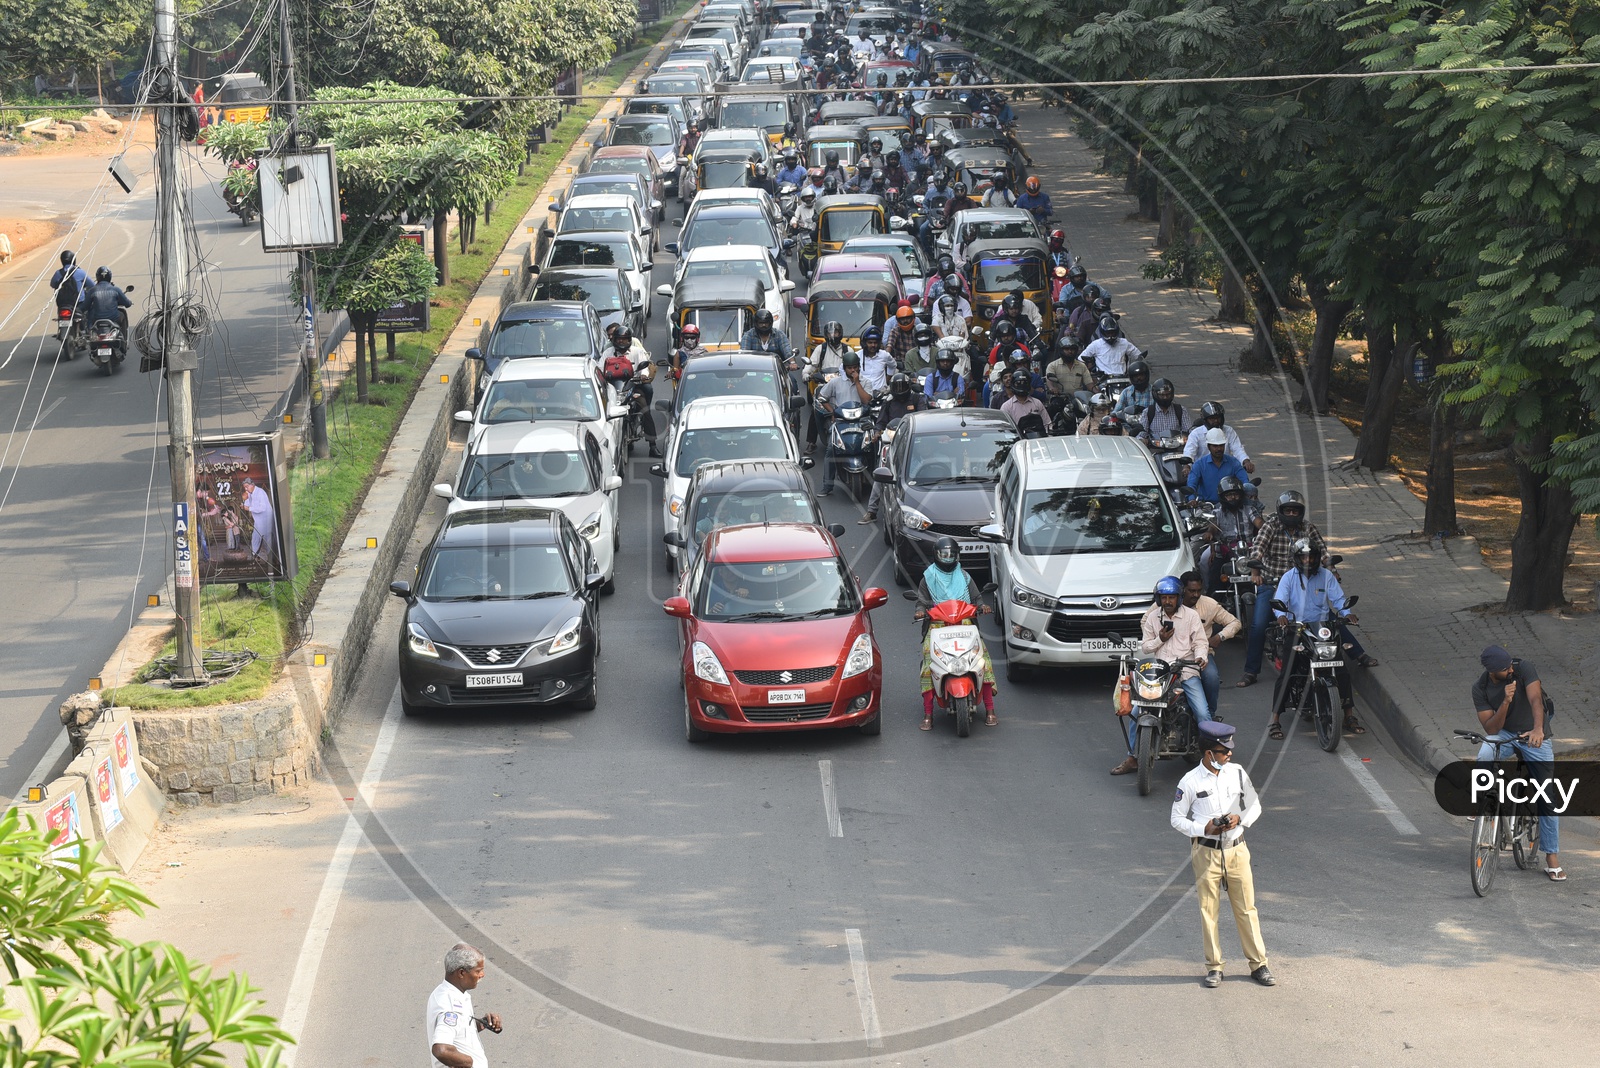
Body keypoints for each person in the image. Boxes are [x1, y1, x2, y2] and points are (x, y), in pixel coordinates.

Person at [1170, 723, 1274, 989]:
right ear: (1208, 753)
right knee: (1209, 910)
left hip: (1237, 849)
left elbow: (1255, 805)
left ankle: (1258, 964)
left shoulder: (1237, 773)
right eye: (1222, 750)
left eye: (1229, 749)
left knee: (1247, 908)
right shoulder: (1190, 781)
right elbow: (1176, 819)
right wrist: (1203, 827)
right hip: (1206, 852)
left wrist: (1240, 818)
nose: (1229, 754)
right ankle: (1214, 967)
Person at [1472, 644, 1564, 881]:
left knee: (1547, 795)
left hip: (1534, 732)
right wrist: (1505, 701)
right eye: (1505, 668)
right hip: (1505, 733)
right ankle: (1486, 803)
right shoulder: (1480, 688)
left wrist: (1538, 729)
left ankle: (1551, 857)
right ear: (1493, 672)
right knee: (1484, 754)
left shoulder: (1524, 669)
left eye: (1509, 664)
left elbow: (1536, 700)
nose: (1510, 669)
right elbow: (1491, 727)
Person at [1111, 575, 1212, 776]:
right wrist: (1160, 639)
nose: (1168, 601)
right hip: (1159, 672)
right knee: (1136, 710)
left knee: (1202, 713)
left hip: (1185, 670)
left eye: (1172, 597)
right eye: (1164, 597)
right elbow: (1147, 647)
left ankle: (1210, 756)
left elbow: (1201, 642)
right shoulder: (1152, 617)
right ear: (1158, 599)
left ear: (1179, 598)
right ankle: (1133, 757)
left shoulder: (1191, 616)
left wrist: (1201, 657)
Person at [1269, 539, 1363, 738]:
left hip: (1322, 629)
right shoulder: (1288, 578)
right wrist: (1282, 616)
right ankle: (1275, 720)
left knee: (1342, 670)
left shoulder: (1326, 575)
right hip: (1297, 629)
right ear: (1296, 558)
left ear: (1317, 557)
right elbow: (1280, 602)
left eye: (1311, 556)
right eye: (1303, 556)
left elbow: (1338, 600)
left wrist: (1346, 613)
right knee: (1288, 673)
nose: (1307, 560)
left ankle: (1349, 716)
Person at [914, 536, 997, 728]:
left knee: (983, 660)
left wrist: (982, 606)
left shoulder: (965, 576)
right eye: (944, 555)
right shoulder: (928, 577)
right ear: (936, 555)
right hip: (937, 623)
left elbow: (977, 597)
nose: (948, 559)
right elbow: (921, 601)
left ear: (957, 556)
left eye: (952, 555)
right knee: (929, 663)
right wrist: (920, 611)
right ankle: (928, 714)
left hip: (965, 621)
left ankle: (991, 710)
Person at [860, 372, 925, 523]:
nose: (900, 389)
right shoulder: (888, 402)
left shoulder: (917, 399)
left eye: (903, 386)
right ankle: (871, 511)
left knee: (921, 472)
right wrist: (876, 433)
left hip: (915, 443)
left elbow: (923, 417)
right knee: (883, 472)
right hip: (892, 442)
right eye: (897, 386)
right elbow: (881, 422)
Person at [428, 943, 503, 1068]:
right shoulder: (451, 1005)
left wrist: (482, 1024)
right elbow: (441, 1049)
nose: (482, 975)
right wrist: (469, 1063)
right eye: (478, 971)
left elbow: (456, 1029)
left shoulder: (448, 992)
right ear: (461, 973)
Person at [1182, 570, 1241, 723]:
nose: (1195, 595)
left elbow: (1235, 622)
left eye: (1198, 591)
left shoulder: (1209, 605)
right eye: (1191, 591)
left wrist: (1219, 636)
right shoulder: (1169, 601)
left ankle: (1210, 714)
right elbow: (1147, 621)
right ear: (1182, 589)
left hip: (1201, 653)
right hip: (1174, 653)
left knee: (1211, 677)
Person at [815, 350, 871, 495]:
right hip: (841, 422)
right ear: (844, 369)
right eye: (849, 368)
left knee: (873, 446)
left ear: (859, 367)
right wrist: (832, 411)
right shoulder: (835, 382)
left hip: (861, 421)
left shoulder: (866, 382)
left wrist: (857, 382)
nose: (853, 370)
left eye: (855, 367)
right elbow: (822, 397)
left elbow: (866, 401)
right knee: (831, 450)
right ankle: (827, 486)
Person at [1199, 475, 1263, 590]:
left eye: (1236, 494)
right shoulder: (1217, 512)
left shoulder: (1249, 510)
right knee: (1214, 584)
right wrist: (1209, 534)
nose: (1233, 497)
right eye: (1229, 495)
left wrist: (1267, 528)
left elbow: (1259, 523)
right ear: (1223, 497)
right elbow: (1212, 527)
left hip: (1247, 553)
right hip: (1224, 553)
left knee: (1265, 580)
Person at [806, 320, 858, 454]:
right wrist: (807, 374)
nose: (833, 335)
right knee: (815, 410)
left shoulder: (848, 350)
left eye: (836, 332)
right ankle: (811, 442)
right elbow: (811, 364)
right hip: (825, 385)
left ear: (840, 333)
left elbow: (855, 366)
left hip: (843, 384)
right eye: (830, 332)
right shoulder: (820, 349)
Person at [611, 327, 662, 456]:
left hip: (634, 385)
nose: (621, 342)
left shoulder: (637, 351)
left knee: (645, 409)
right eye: (619, 339)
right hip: (613, 389)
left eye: (624, 339)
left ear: (629, 340)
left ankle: (653, 445)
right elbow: (600, 368)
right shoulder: (608, 353)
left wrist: (643, 375)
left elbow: (644, 366)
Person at [1183, 401, 1254, 474]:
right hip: (1202, 472)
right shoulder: (1196, 433)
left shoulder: (1229, 431)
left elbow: (1238, 449)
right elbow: (1189, 451)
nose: (1216, 421)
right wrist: (1186, 466)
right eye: (1212, 419)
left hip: (1226, 471)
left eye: (1218, 418)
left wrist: (1246, 462)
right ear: (1205, 420)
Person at [81, 267, 133, 357]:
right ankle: (124, 341)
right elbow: (127, 303)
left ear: (97, 277)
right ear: (110, 277)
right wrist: (129, 303)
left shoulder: (92, 290)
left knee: (89, 321)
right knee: (123, 314)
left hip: (96, 320)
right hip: (113, 318)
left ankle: (91, 341)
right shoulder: (115, 289)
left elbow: (85, 307)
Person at [1187, 430, 1250, 504]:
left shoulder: (1233, 462)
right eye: (1215, 446)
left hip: (1231, 504)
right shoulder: (1199, 464)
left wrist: (1249, 489)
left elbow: (1244, 480)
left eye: (1221, 445)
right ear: (1208, 447)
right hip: (1207, 507)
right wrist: (1191, 499)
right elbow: (1191, 484)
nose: (1219, 449)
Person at [240, 477, 277, 569]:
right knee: (255, 539)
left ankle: (272, 560)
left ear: (252, 485)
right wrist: (244, 502)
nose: (246, 489)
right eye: (244, 487)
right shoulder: (249, 494)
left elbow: (262, 508)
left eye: (247, 487)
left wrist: (249, 508)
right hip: (258, 521)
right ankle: (255, 558)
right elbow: (246, 505)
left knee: (268, 541)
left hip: (266, 520)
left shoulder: (260, 492)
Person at [1141, 377, 1192, 444]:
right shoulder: (1147, 412)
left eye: (1168, 395)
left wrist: (1186, 438)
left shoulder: (1181, 410)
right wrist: (1143, 440)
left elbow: (1189, 431)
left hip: (1177, 449)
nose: (1165, 397)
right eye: (1162, 395)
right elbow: (1142, 433)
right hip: (1156, 449)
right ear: (1155, 395)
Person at [50, 250, 89, 315]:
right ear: (73, 260)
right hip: (78, 304)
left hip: (62, 305)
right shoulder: (80, 272)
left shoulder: (58, 273)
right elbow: (92, 285)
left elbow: (52, 284)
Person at [859, 327, 896, 393]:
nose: (873, 345)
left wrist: (887, 379)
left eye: (875, 343)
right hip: (863, 394)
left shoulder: (884, 355)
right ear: (864, 343)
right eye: (870, 343)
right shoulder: (857, 356)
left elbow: (893, 365)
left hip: (881, 394)